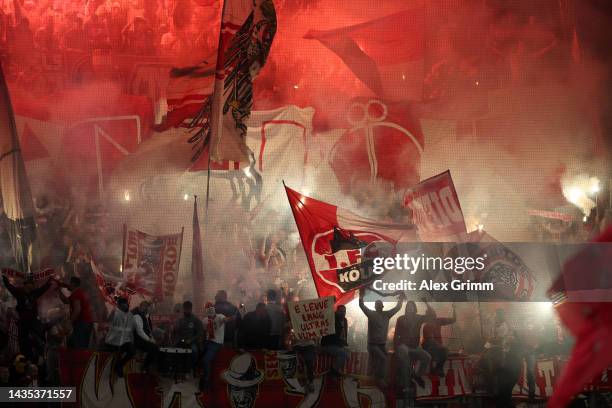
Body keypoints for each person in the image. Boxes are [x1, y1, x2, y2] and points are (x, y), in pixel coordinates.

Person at [358, 287, 404, 387]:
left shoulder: (387, 314)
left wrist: (401, 298)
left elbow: (397, 308)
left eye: (379, 305)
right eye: (376, 305)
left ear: (382, 306)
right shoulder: (371, 314)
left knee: (386, 358)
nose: (377, 306)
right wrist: (361, 295)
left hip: (381, 345)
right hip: (372, 345)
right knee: (383, 359)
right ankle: (380, 378)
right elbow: (361, 305)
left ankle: (380, 375)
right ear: (375, 306)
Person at [2, 273, 53, 360]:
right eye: (30, 284)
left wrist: (49, 282)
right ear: (26, 284)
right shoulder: (19, 292)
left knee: (39, 335)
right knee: (23, 341)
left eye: (32, 284)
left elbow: (43, 289)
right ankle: (25, 358)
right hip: (23, 322)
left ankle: (40, 356)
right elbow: (10, 287)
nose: (32, 286)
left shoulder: (34, 293)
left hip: (33, 321)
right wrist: (4, 278)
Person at [394, 300, 434, 389]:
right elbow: (396, 334)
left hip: (415, 347)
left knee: (427, 357)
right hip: (403, 345)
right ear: (406, 308)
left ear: (414, 308)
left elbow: (432, 316)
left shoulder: (419, 318)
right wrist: (395, 347)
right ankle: (405, 384)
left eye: (412, 306)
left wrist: (426, 303)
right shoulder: (401, 318)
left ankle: (417, 375)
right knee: (405, 358)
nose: (410, 308)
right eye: (408, 306)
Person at [199, 302, 234, 390]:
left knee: (206, 360)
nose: (209, 309)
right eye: (207, 307)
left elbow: (224, 320)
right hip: (207, 342)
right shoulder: (205, 319)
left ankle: (206, 381)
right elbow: (204, 331)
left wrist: (229, 318)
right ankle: (202, 378)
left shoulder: (219, 316)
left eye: (210, 307)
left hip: (216, 343)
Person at [421, 304, 456, 377]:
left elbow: (453, 319)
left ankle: (438, 368)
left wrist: (454, 309)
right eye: (430, 315)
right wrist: (441, 347)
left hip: (438, 347)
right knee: (443, 351)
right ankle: (436, 368)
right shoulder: (427, 326)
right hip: (428, 348)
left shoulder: (439, 321)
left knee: (444, 351)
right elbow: (431, 341)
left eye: (433, 314)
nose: (432, 316)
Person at [58, 277, 93, 349]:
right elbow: (66, 301)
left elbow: (77, 310)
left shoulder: (76, 294)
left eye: (69, 283)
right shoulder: (78, 292)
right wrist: (59, 290)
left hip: (82, 323)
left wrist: (69, 322)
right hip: (86, 323)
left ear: (73, 284)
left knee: (80, 348)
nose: (67, 285)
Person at [104, 298, 135, 377]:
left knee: (132, 352)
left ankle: (120, 365)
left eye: (126, 303)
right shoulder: (115, 312)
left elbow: (130, 330)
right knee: (116, 353)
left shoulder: (130, 315)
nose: (126, 305)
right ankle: (118, 369)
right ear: (119, 305)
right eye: (123, 304)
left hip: (125, 340)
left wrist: (131, 340)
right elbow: (107, 322)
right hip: (113, 340)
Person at [320, 304, 350, 377]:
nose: (342, 313)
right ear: (336, 311)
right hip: (329, 344)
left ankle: (336, 369)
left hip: (338, 345)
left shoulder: (345, 320)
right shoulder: (332, 319)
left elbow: (344, 334)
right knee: (345, 354)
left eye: (344, 311)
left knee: (346, 353)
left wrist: (345, 344)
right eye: (340, 311)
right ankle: (333, 370)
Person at [131, 301, 158, 373]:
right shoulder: (136, 315)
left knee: (156, 347)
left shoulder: (144, 315)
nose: (147, 310)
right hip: (137, 339)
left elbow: (148, 329)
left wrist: (151, 337)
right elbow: (140, 331)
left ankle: (149, 367)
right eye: (146, 308)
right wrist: (149, 340)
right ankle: (145, 367)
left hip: (143, 338)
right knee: (154, 348)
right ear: (142, 307)